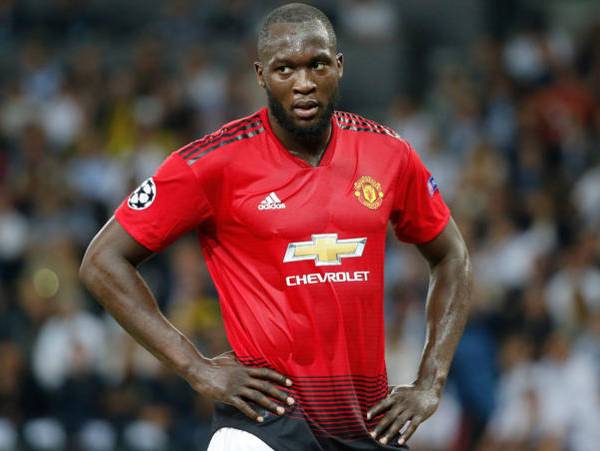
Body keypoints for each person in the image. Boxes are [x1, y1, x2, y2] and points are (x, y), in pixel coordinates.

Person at [79, 3, 472, 450]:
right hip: (263, 424)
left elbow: (452, 256)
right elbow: (102, 261)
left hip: (367, 425)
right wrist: (196, 367)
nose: (304, 83)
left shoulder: (389, 154)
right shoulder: (212, 163)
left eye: (317, 65)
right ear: (261, 75)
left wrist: (430, 383)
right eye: (285, 69)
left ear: (339, 67)